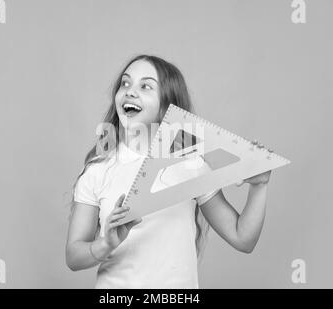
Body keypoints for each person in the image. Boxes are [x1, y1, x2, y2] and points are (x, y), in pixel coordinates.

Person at [65, 54, 271, 288]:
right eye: (125, 83)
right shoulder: (98, 170)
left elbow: (242, 238)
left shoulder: (191, 165)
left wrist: (259, 186)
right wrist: (106, 243)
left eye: (146, 86)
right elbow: (73, 256)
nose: (130, 91)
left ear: (166, 105)